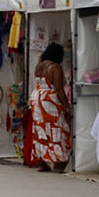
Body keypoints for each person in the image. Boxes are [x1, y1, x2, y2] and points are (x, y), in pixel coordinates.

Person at [30, 43, 72, 172]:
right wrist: (66, 106)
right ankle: (59, 161)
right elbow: (58, 89)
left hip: (36, 97)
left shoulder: (39, 66)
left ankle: (42, 160)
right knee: (57, 128)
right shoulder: (55, 67)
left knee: (40, 128)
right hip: (49, 99)